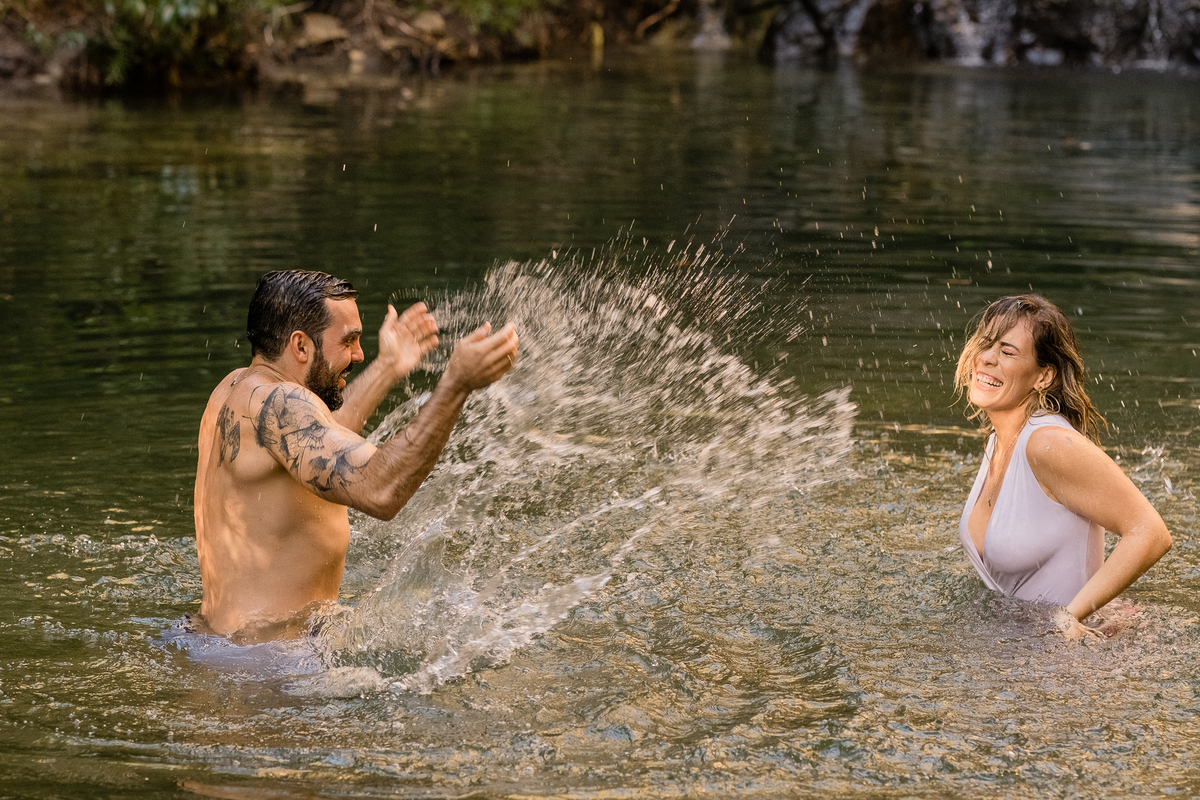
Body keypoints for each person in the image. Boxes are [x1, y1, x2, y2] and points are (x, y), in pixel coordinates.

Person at [193, 270, 518, 642]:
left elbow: (317, 441)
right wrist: (456, 384)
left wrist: (390, 366)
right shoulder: (281, 403)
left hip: (217, 644)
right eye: (348, 341)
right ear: (301, 346)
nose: (359, 354)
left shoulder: (233, 390)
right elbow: (379, 490)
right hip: (271, 669)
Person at [954, 294, 1171, 640]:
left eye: (1008, 351)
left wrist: (1071, 617)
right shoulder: (998, 440)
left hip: (1078, 657)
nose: (987, 358)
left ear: (1043, 376)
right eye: (986, 343)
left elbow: (1150, 532)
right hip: (1019, 649)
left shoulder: (1048, 444)